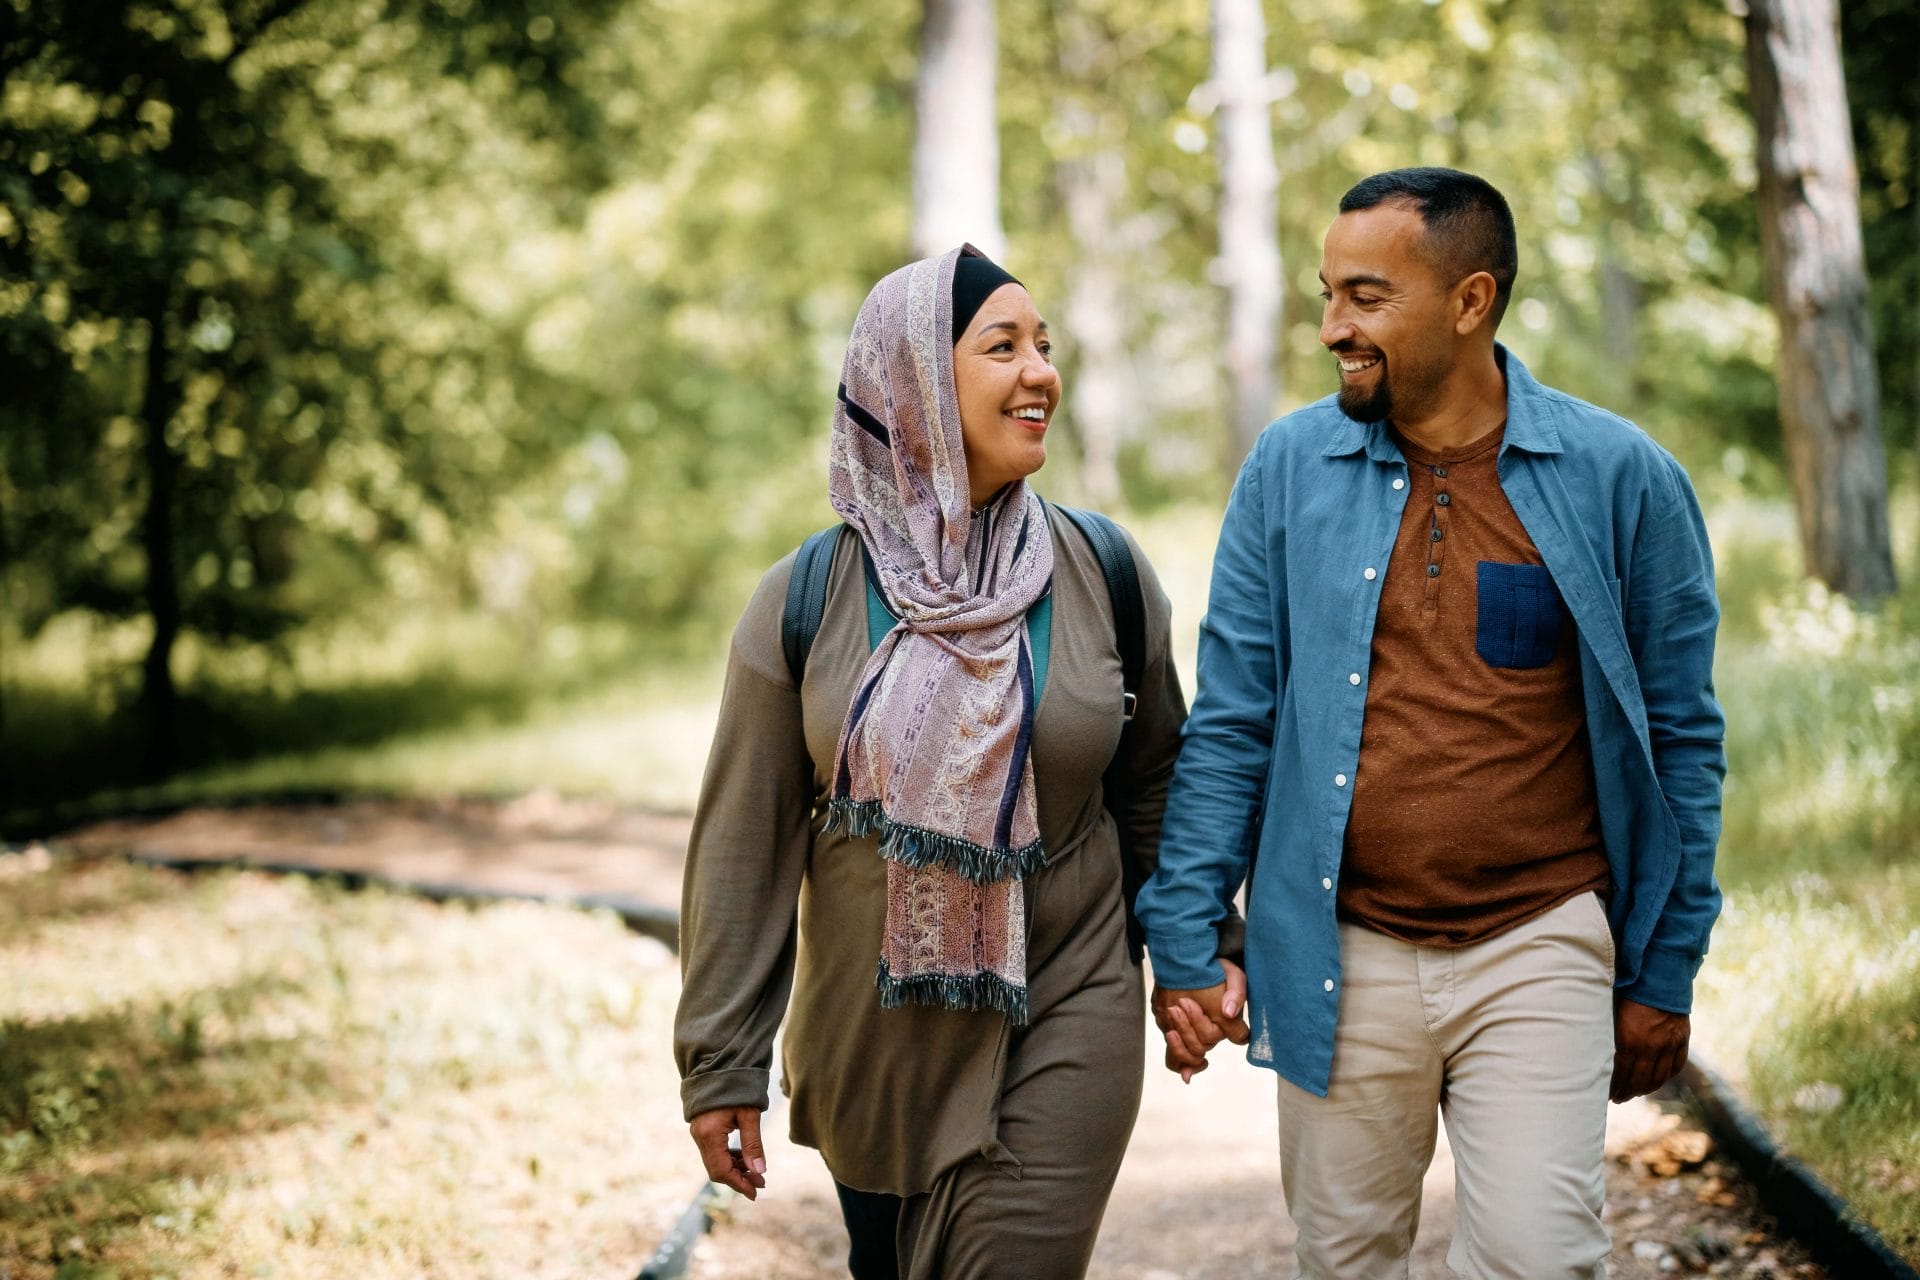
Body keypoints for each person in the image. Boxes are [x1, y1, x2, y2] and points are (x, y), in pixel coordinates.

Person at [1136, 167, 1725, 1279]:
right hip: (1339, 944)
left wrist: (1663, 969)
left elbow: (1684, 739)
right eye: (1326, 295)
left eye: (1365, 297)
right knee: (1347, 1257)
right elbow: (1234, 720)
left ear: (1471, 300)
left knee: (1542, 1259)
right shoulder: (1288, 471)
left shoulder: (1622, 478)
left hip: (1540, 937)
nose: (1331, 329)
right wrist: (1186, 929)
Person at [673, 244, 1187, 1280]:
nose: (1040, 370)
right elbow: (744, 841)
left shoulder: (1105, 574)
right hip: (877, 1040)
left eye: (1043, 344)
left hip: (1068, 996)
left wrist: (1190, 952)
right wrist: (720, 1057)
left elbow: (1159, 788)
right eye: (1002, 345)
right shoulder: (806, 599)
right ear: (908, 385)